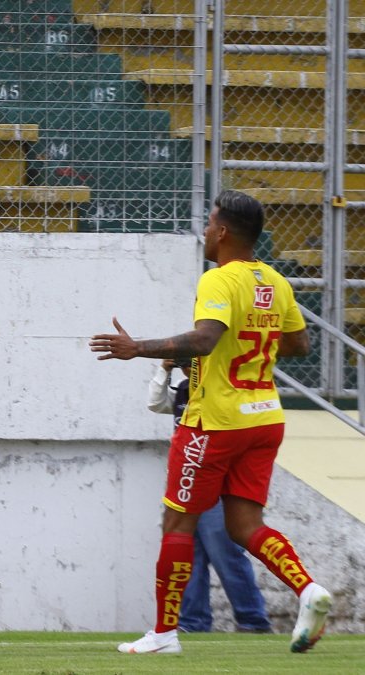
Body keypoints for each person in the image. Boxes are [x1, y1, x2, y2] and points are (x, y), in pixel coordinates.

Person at [91, 189, 333, 655]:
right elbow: (299, 345)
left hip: (214, 422)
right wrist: (241, 345)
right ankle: (307, 589)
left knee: (178, 523)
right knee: (245, 526)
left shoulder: (219, 280)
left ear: (222, 232)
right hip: (264, 417)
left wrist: (138, 347)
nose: (204, 231)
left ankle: (163, 634)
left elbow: (204, 340)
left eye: (208, 223)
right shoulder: (275, 281)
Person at [147, 359, 273, 634]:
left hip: (216, 486)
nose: (188, 370)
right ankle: (193, 622)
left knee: (226, 553)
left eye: (192, 364)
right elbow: (156, 404)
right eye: (185, 365)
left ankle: (253, 620)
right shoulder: (183, 390)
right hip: (186, 483)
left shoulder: (223, 393)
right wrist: (163, 370)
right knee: (188, 556)